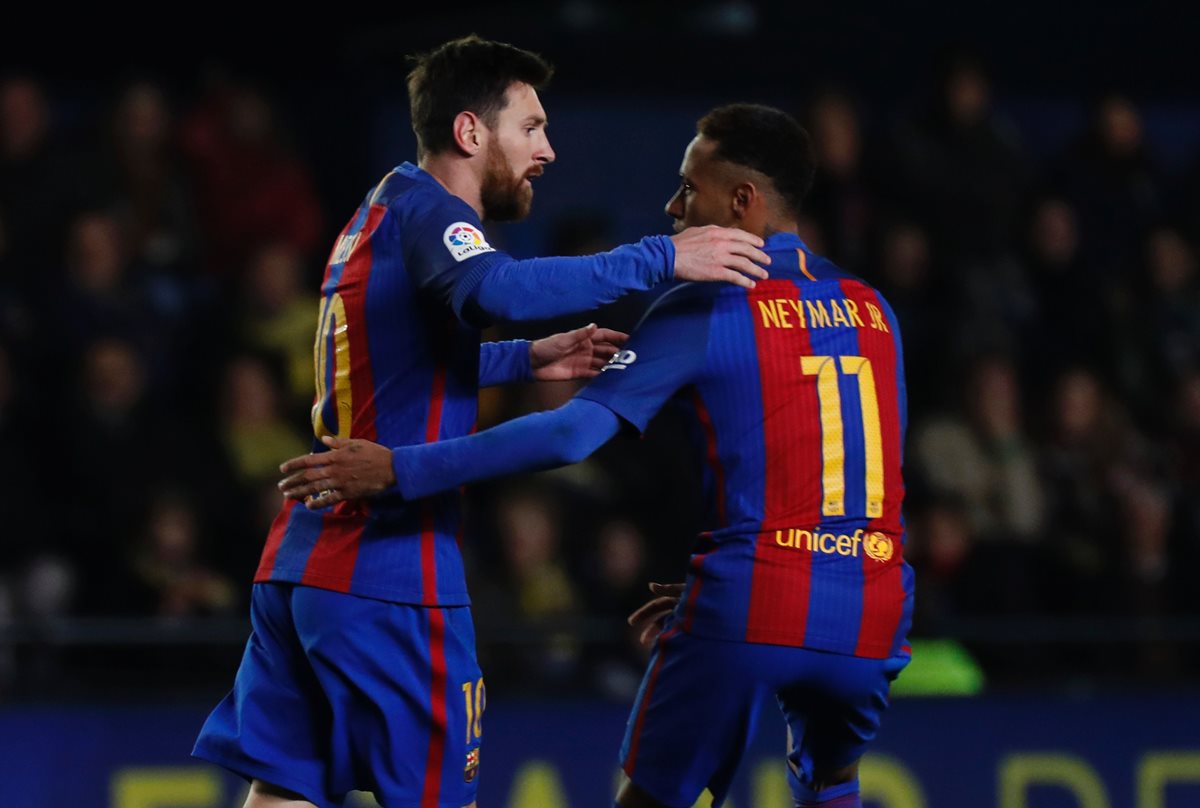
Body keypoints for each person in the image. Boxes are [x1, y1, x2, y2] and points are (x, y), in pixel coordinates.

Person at [279, 103, 914, 808]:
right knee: (832, 783)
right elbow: (869, 477)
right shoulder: (875, 309)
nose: (672, 206)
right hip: (873, 603)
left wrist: (401, 468)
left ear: (742, 202)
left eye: (688, 189)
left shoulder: (707, 305)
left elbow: (567, 436)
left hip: (757, 600)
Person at [192, 36, 771, 808]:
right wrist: (660, 259)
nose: (548, 150)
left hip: (303, 567)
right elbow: (500, 289)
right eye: (530, 128)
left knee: (286, 795)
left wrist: (522, 361)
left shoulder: (383, 206)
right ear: (470, 133)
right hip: (392, 580)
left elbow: (389, 365)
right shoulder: (435, 214)